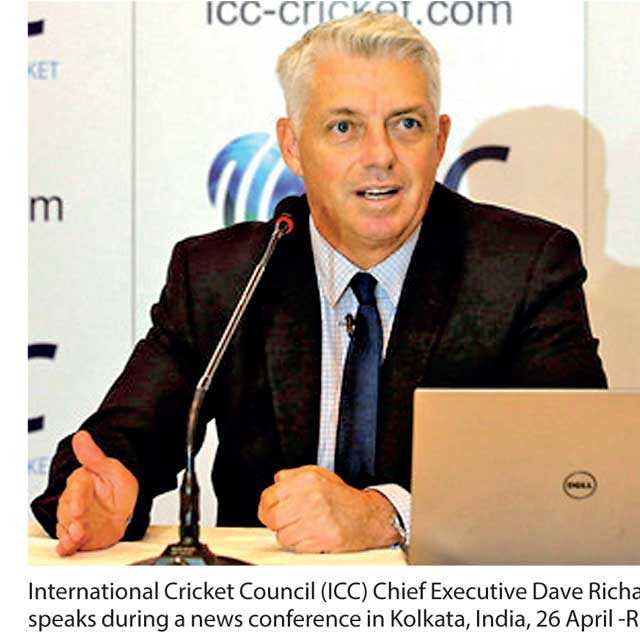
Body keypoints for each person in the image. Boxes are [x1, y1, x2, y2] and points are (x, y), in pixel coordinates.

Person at [31, 12, 607, 556]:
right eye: (344, 127)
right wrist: (102, 496)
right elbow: (120, 443)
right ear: (292, 145)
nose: (380, 156)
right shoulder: (224, 275)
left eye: (407, 124)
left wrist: (388, 515)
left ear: (439, 140)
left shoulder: (522, 268)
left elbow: (579, 473)